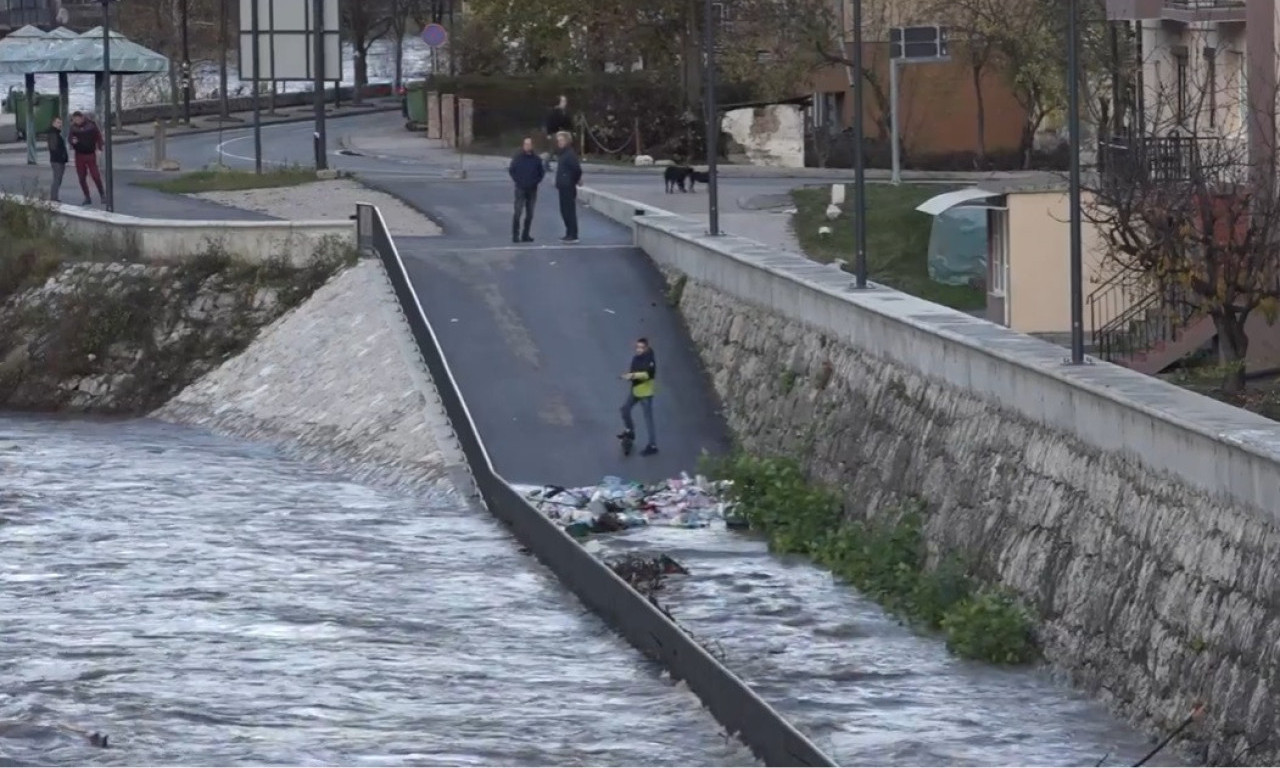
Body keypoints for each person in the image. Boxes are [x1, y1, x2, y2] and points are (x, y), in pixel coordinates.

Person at [618, 337, 658, 456]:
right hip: (636, 391)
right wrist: (629, 375)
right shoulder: (637, 358)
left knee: (648, 420)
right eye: (637, 347)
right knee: (625, 409)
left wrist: (632, 375)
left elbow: (647, 374)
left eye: (641, 347)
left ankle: (652, 445)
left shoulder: (650, 360)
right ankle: (630, 430)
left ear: (646, 347)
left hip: (645, 393)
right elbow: (634, 371)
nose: (639, 349)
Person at [508, 136, 545, 243]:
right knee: (518, 212)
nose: (527, 146)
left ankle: (526, 234)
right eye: (525, 144)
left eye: (529, 144)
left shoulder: (536, 159)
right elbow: (512, 170)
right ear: (523, 145)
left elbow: (541, 173)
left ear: (532, 146)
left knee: (530, 213)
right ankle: (515, 235)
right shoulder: (518, 158)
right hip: (520, 188)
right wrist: (518, 180)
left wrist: (536, 181)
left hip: (532, 189)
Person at [67, 111, 104, 206]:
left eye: (77, 119)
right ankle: (87, 197)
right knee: (81, 177)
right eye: (74, 119)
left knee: (95, 176)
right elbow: (70, 138)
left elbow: (98, 137)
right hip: (79, 154)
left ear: (82, 118)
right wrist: (72, 141)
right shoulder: (73, 128)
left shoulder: (91, 126)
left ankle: (103, 195)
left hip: (90, 154)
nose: (76, 121)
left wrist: (99, 148)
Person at [554, 131, 582, 243]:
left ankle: (573, 234)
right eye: (558, 140)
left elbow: (577, 169)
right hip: (563, 186)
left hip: (568, 186)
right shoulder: (563, 154)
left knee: (569, 211)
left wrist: (573, 181)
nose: (559, 142)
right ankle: (569, 233)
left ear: (567, 141)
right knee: (564, 210)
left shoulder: (569, 154)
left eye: (561, 140)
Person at [544, 95, 572, 170]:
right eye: (563, 101)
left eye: (565, 101)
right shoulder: (554, 111)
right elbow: (549, 123)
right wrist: (549, 133)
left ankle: (563, 164)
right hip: (555, 133)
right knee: (553, 149)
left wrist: (569, 131)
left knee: (562, 149)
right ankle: (546, 164)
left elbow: (567, 122)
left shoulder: (564, 112)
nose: (565, 103)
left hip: (562, 133)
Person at [46, 116, 68, 203]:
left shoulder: (56, 133)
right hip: (57, 161)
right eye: (58, 122)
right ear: (53, 123)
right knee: (57, 179)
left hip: (58, 160)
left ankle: (54, 197)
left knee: (58, 179)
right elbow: (53, 147)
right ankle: (53, 198)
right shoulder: (53, 133)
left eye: (60, 122)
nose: (60, 124)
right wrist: (61, 156)